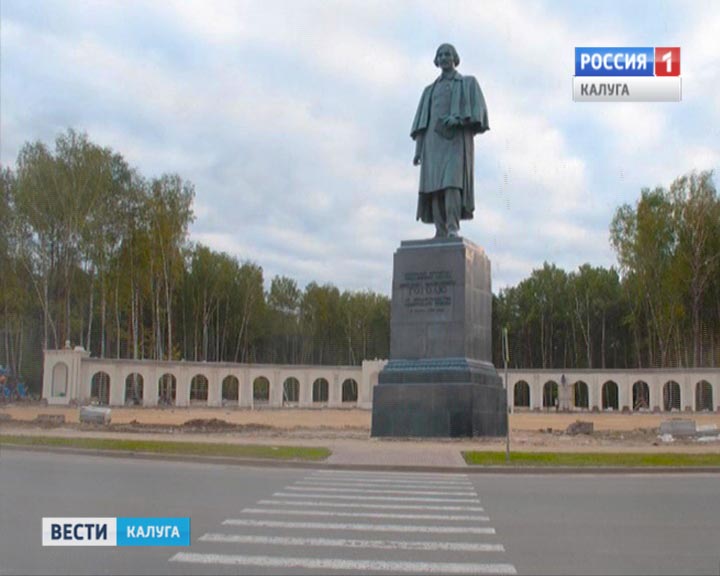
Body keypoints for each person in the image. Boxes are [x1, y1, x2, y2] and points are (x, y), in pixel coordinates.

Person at [411, 43, 489, 238]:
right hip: (432, 143)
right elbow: (422, 123)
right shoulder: (429, 90)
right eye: (441, 55)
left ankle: (453, 227)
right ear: (436, 60)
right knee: (434, 187)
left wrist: (460, 119)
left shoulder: (467, 83)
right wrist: (418, 151)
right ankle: (440, 230)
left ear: (455, 58)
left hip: (455, 142)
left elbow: (479, 113)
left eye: (448, 54)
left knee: (452, 184)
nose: (444, 57)